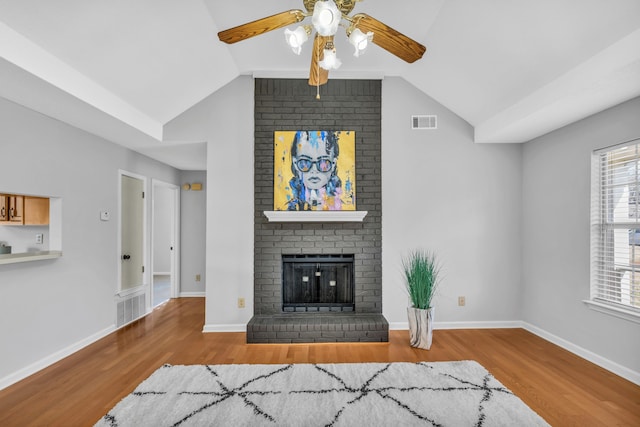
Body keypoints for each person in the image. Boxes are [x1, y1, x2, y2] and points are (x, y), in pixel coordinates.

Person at [287, 130, 343, 211]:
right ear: (295, 163)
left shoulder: (342, 207)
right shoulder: (289, 208)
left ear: (333, 164)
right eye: (304, 162)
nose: (314, 170)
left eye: (323, 163)